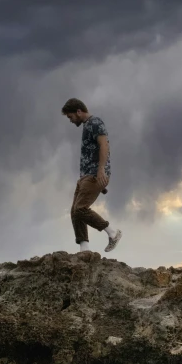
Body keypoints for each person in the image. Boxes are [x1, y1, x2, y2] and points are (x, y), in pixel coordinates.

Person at [62, 98, 122, 253]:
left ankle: (112, 233)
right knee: (75, 211)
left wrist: (101, 170)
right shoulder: (87, 125)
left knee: (80, 209)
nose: (70, 120)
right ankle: (84, 249)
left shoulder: (95, 122)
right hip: (86, 176)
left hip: (94, 174)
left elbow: (104, 145)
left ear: (78, 111)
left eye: (70, 117)